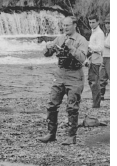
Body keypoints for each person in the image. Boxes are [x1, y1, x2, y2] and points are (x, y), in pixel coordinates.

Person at [38, 16, 88, 145]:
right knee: (51, 104)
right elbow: (46, 54)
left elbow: (83, 58)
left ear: (74, 25)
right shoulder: (59, 38)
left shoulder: (81, 40)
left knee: (72, 107)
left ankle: (71, 136)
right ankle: (51, 133)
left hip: (75, 75)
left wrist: (71, 47)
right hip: (60, 74)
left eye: (67, 25)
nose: (65, 28)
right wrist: (48, 49)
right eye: (63, 25)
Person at [84, 14, 105, 108]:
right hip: (92, 59)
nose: (91, 24)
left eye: (93, 22)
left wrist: (89, 47)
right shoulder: (94, 31)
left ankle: (96, 104)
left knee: (94, 82)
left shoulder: (99, 33)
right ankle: (95, 102)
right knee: (91, 80)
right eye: (90, 22)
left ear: (98, 22)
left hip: (96, 60)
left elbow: (100, 47)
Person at [99, 15, 110, 101]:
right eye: (106, 23)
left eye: (109, 23)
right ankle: (101, 95)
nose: (107, 25)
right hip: (104, 57)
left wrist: (103, 43)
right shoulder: (106, 33)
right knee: (102, 77)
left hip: (110, 58)